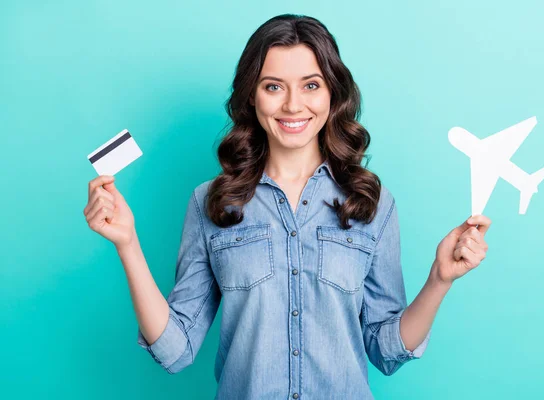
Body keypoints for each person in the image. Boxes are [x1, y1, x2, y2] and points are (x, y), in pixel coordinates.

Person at [83, 13, 491, 399]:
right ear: (252, 97)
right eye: (274, 86)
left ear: (333, 94)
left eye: (311, 85)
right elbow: (175, 350)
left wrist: (440, 278)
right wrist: (127, 244)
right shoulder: (211, 203)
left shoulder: (372, 203)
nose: (293, 105)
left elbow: (386, 351)